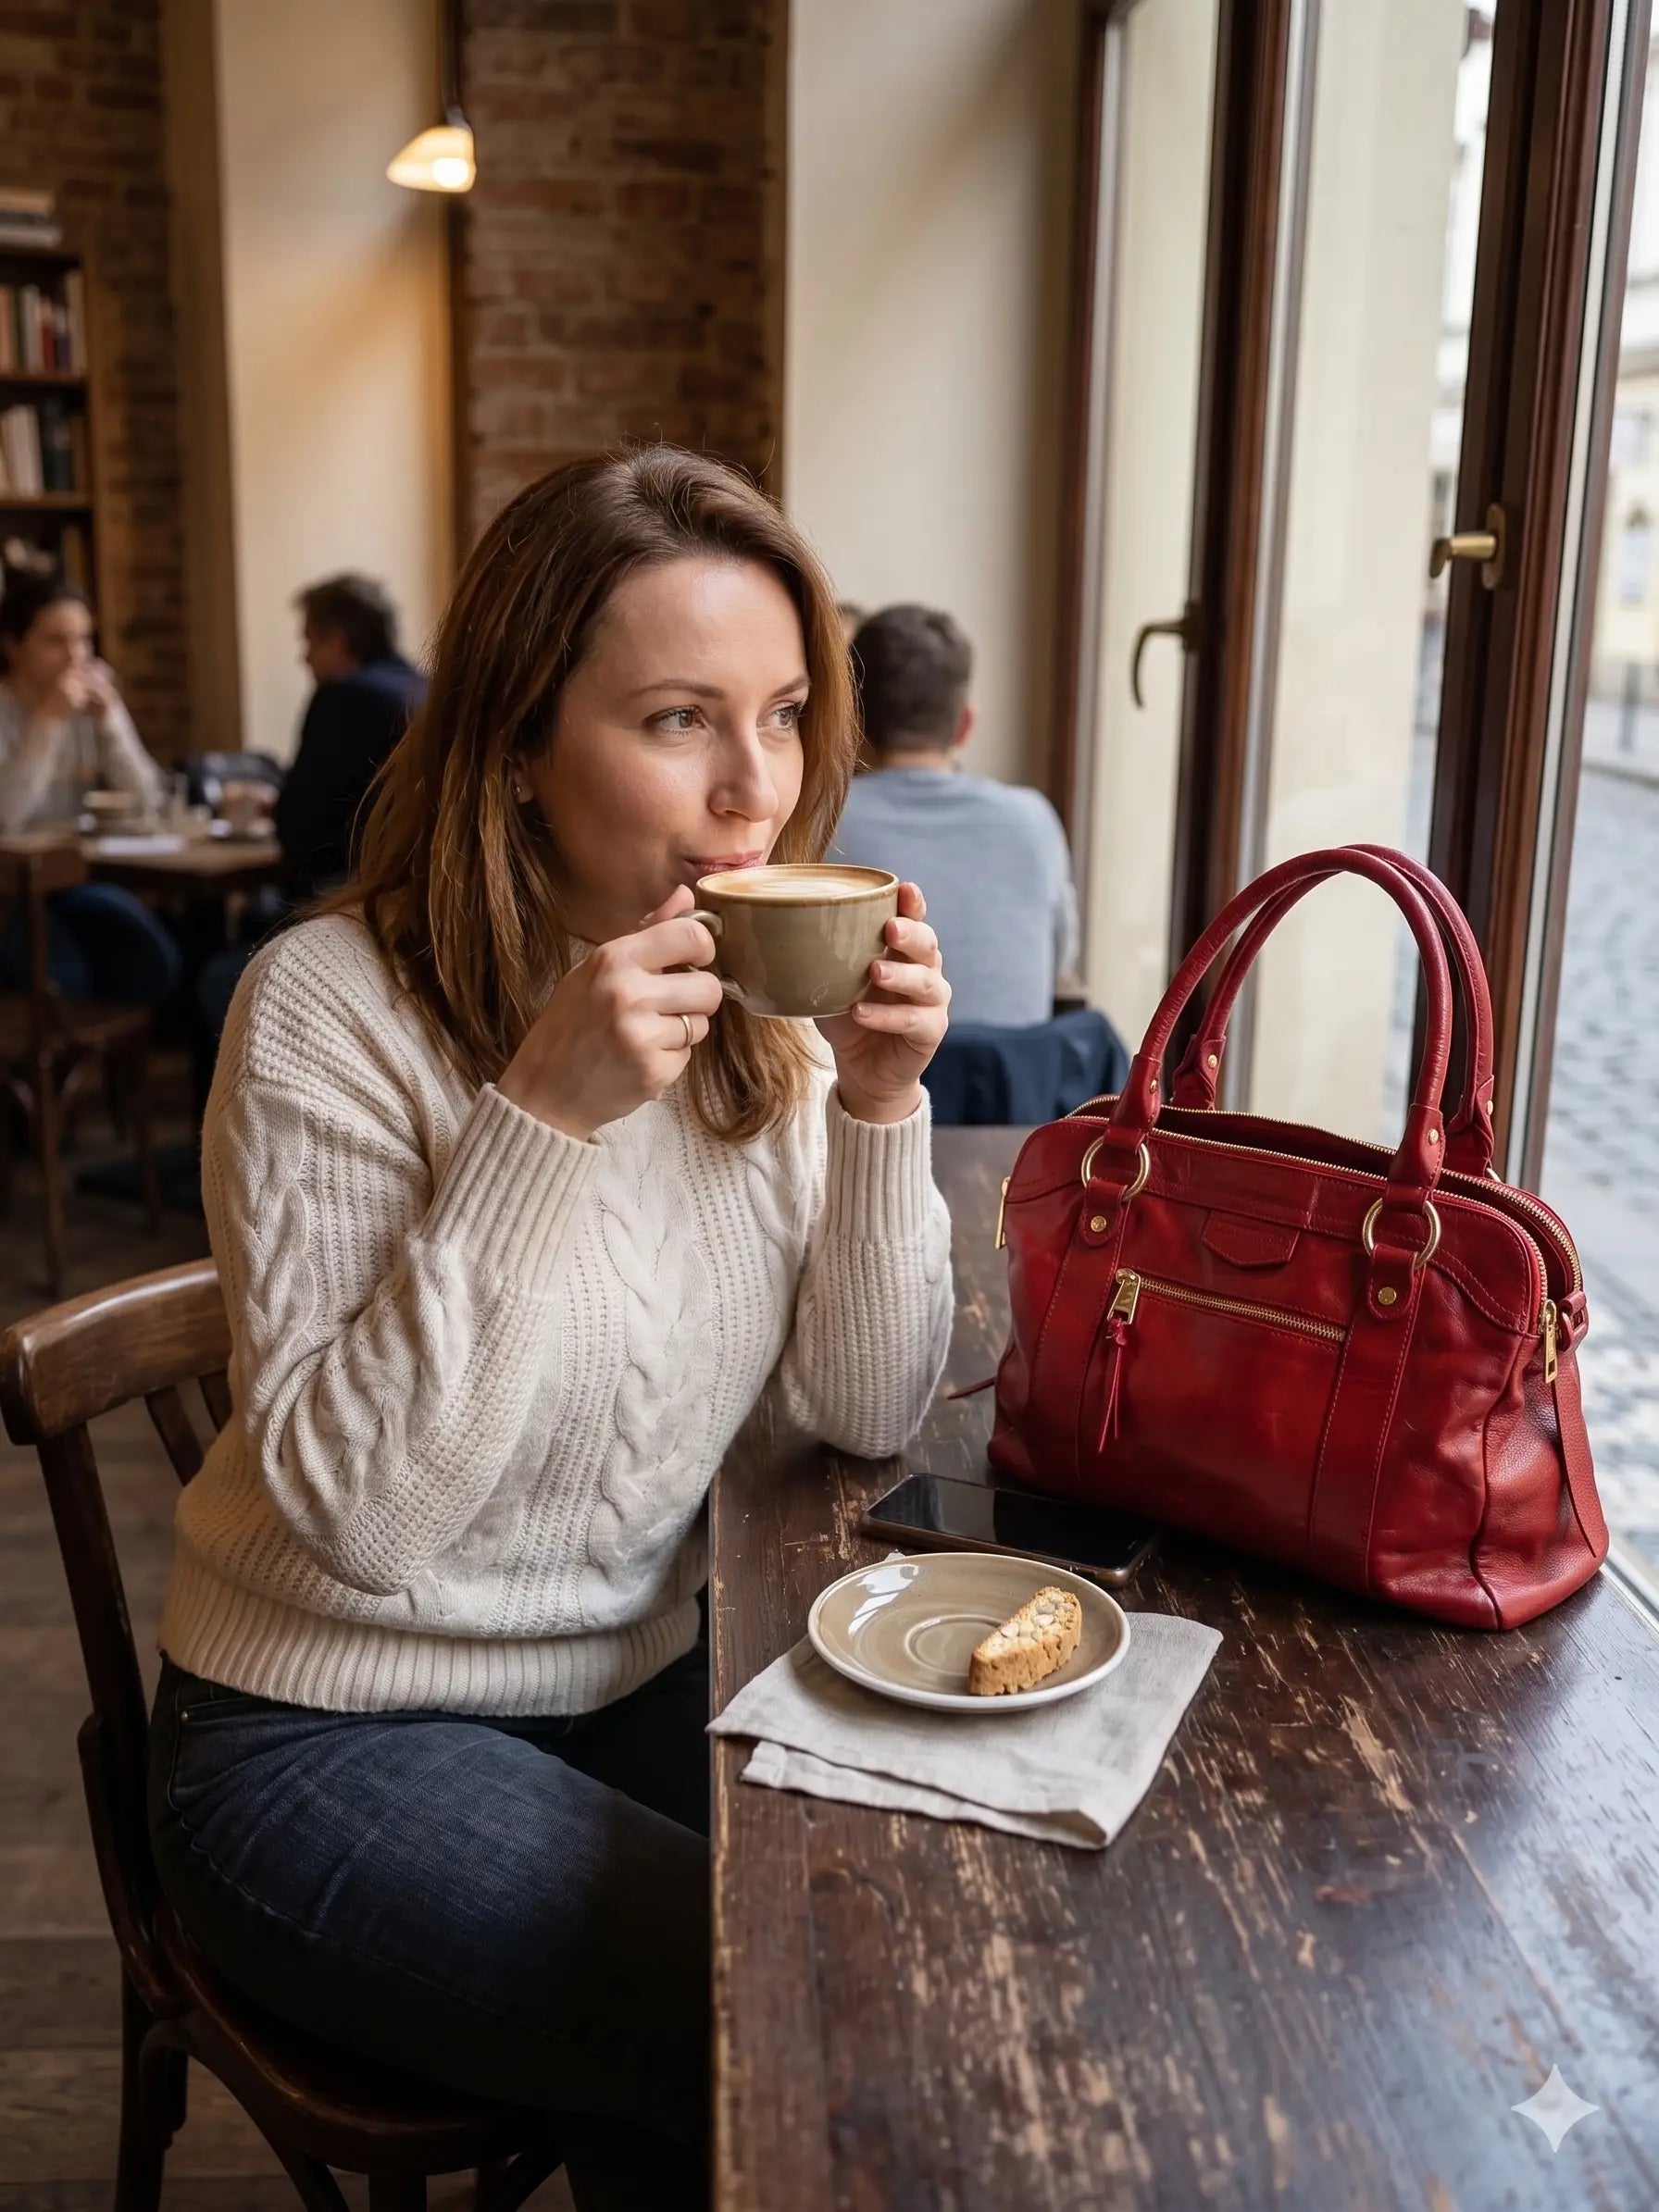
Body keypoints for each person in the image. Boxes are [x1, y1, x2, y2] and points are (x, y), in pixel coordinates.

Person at [146, 447, 954, 2210]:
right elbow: (367, 1526)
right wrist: (538, 1124)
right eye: (680, 719)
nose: (758, 793)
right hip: (319, 1733)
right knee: (783, 2025)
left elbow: (869, 1407)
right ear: (517, 747)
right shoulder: (326, 1016)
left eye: (789, 714)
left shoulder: (768, 1019)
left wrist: (883, 1110)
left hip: (634, 1669)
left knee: (909, 1940)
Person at [194, 574, 426, 1039]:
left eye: (308, 643)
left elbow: (299, 831)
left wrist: (280, 811)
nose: (303, 658)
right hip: (423, 922)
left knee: (216, 977)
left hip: (359, 923)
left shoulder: (345, 696)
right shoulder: (425, 689)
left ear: (335, 640)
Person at [833, 603, 1079, 1026]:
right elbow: (1060, 963)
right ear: (965, 725)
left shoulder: (822, 820)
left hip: (864, 1079)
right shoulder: (1035, 820)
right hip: (1015, 1086)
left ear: (850, 720)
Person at [0, 565, 180, 1007]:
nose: (76, 657)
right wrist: (47, 721)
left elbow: (151, 802)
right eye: (56, 641)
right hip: (9, 895)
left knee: (153, 963)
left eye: (83, 639)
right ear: (12, 645)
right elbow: (6, 817)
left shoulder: (87, 710)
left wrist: (114, 721)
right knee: (67, 981)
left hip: (73, 883)